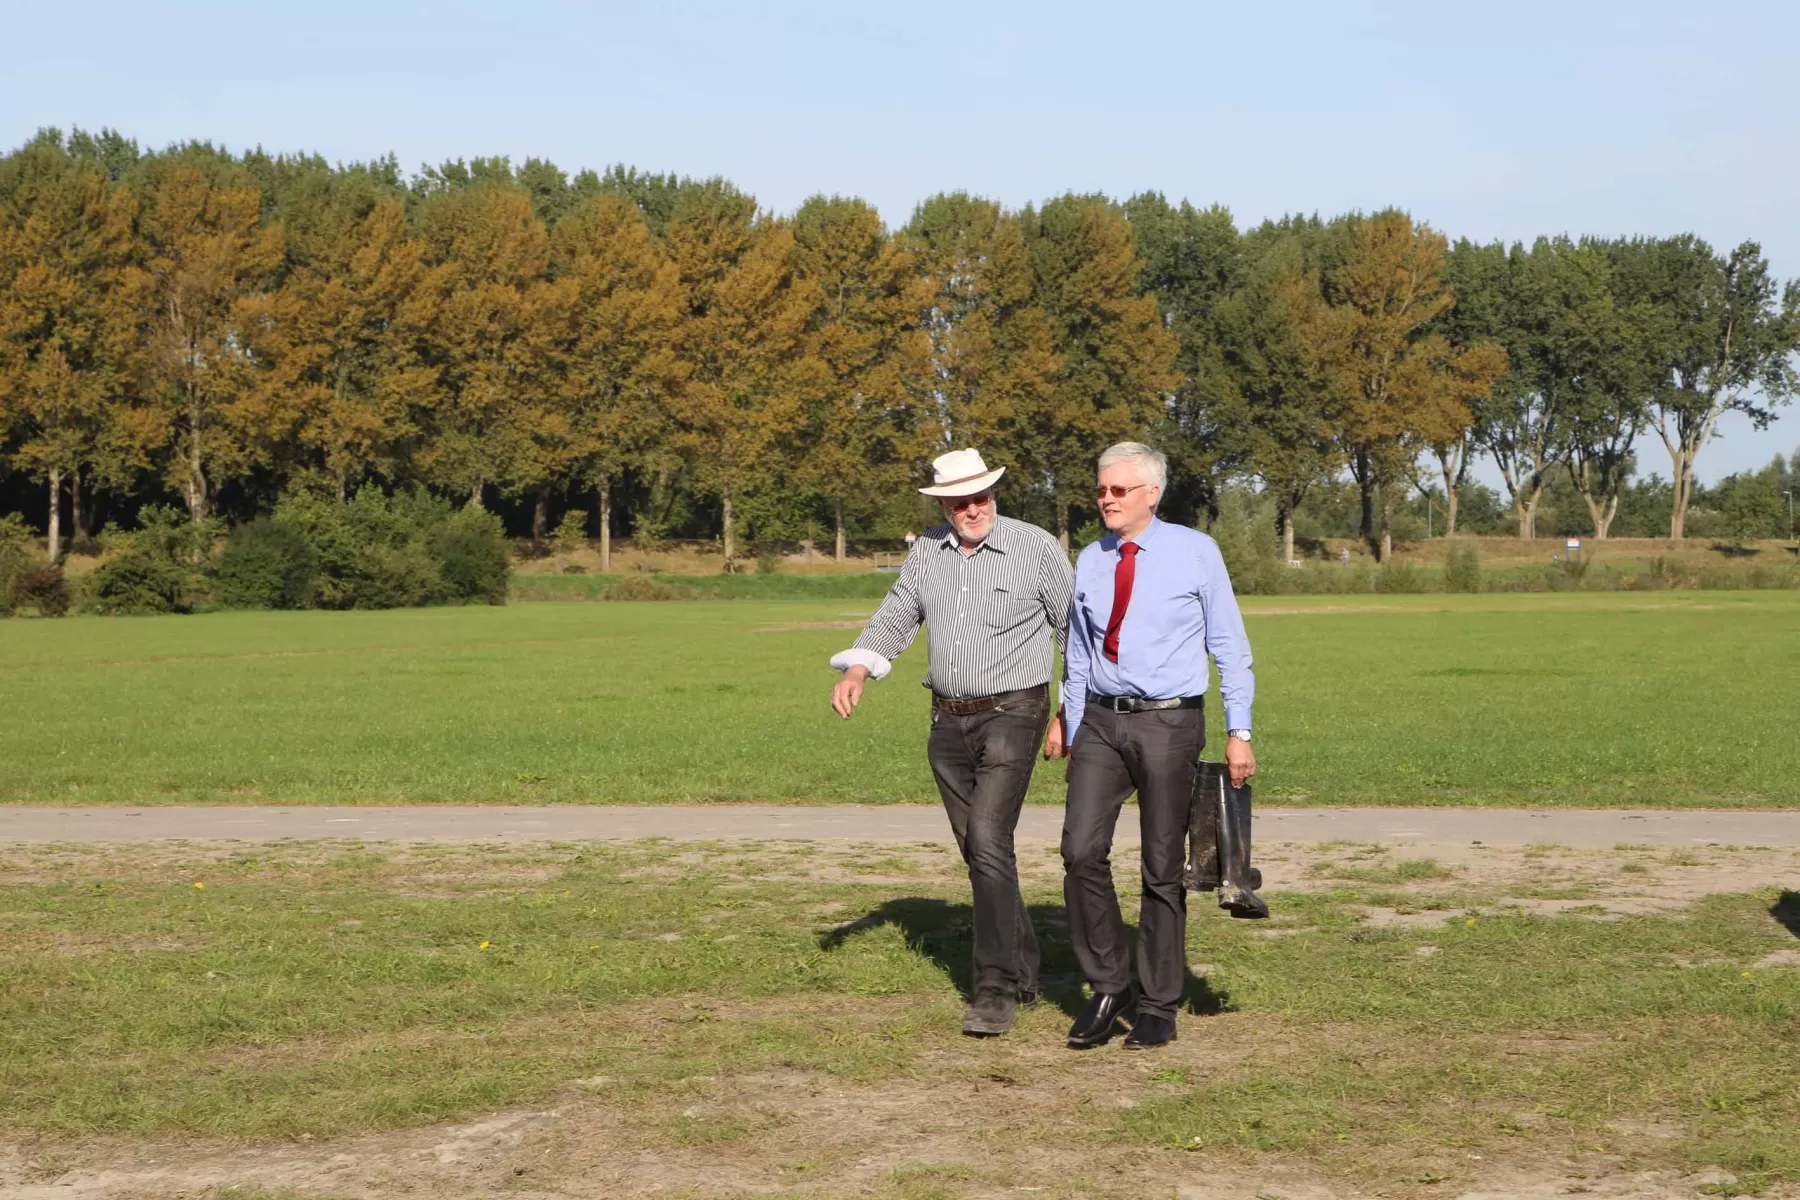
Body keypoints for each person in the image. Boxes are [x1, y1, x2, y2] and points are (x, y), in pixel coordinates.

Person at [830, 448, 1074, 1037]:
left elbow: (1075, 629)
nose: (973, 508)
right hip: (947, 724)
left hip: (1016, 712)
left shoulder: (1035, 547)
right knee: (981, 849)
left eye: (981, 496)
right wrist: (858, 669)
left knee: (988, 837)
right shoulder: (926, 553)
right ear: (942, 504)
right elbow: (897, 612)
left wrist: (1070, 710)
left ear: (994, 493)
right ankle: (1024, 970)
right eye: (960, 500)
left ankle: (992, 990)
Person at [1045, 442, 1256, 1050]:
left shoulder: (1196, 553)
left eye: (1119, 490)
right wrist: (1072, 719)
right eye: (1102, 490)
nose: (1106, 500)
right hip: (1102, 724)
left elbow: (1229, 645)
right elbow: (1080, 653)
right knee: (1080, 851)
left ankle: (1159, 1002)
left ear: (1152, 493)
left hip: (1170, 724)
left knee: (1161, 868)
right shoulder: (1088, 559)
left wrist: (1238, 731)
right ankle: (1109, 986)